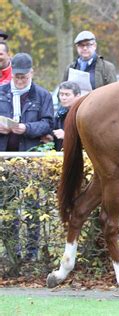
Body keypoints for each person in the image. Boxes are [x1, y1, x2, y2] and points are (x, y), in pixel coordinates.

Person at [0, 53, 54, 261]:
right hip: (6, 155)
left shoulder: (42, 95)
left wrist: (27, 128)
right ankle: (12, 252)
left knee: (32, 205)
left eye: (23, 76)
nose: (20, 80)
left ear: (32, 73)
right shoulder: (2, 92)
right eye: (16, 76)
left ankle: (31, 253)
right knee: (7, 205)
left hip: (30, 155)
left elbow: (48, 123)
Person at [41, 81, 81, 151]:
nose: (63, 98)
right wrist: (50, 137)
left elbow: (89, 139)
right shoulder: (60, 114)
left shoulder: (82, 114)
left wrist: (67, 136)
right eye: (61, 94)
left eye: (67, 95)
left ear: (77, 96)